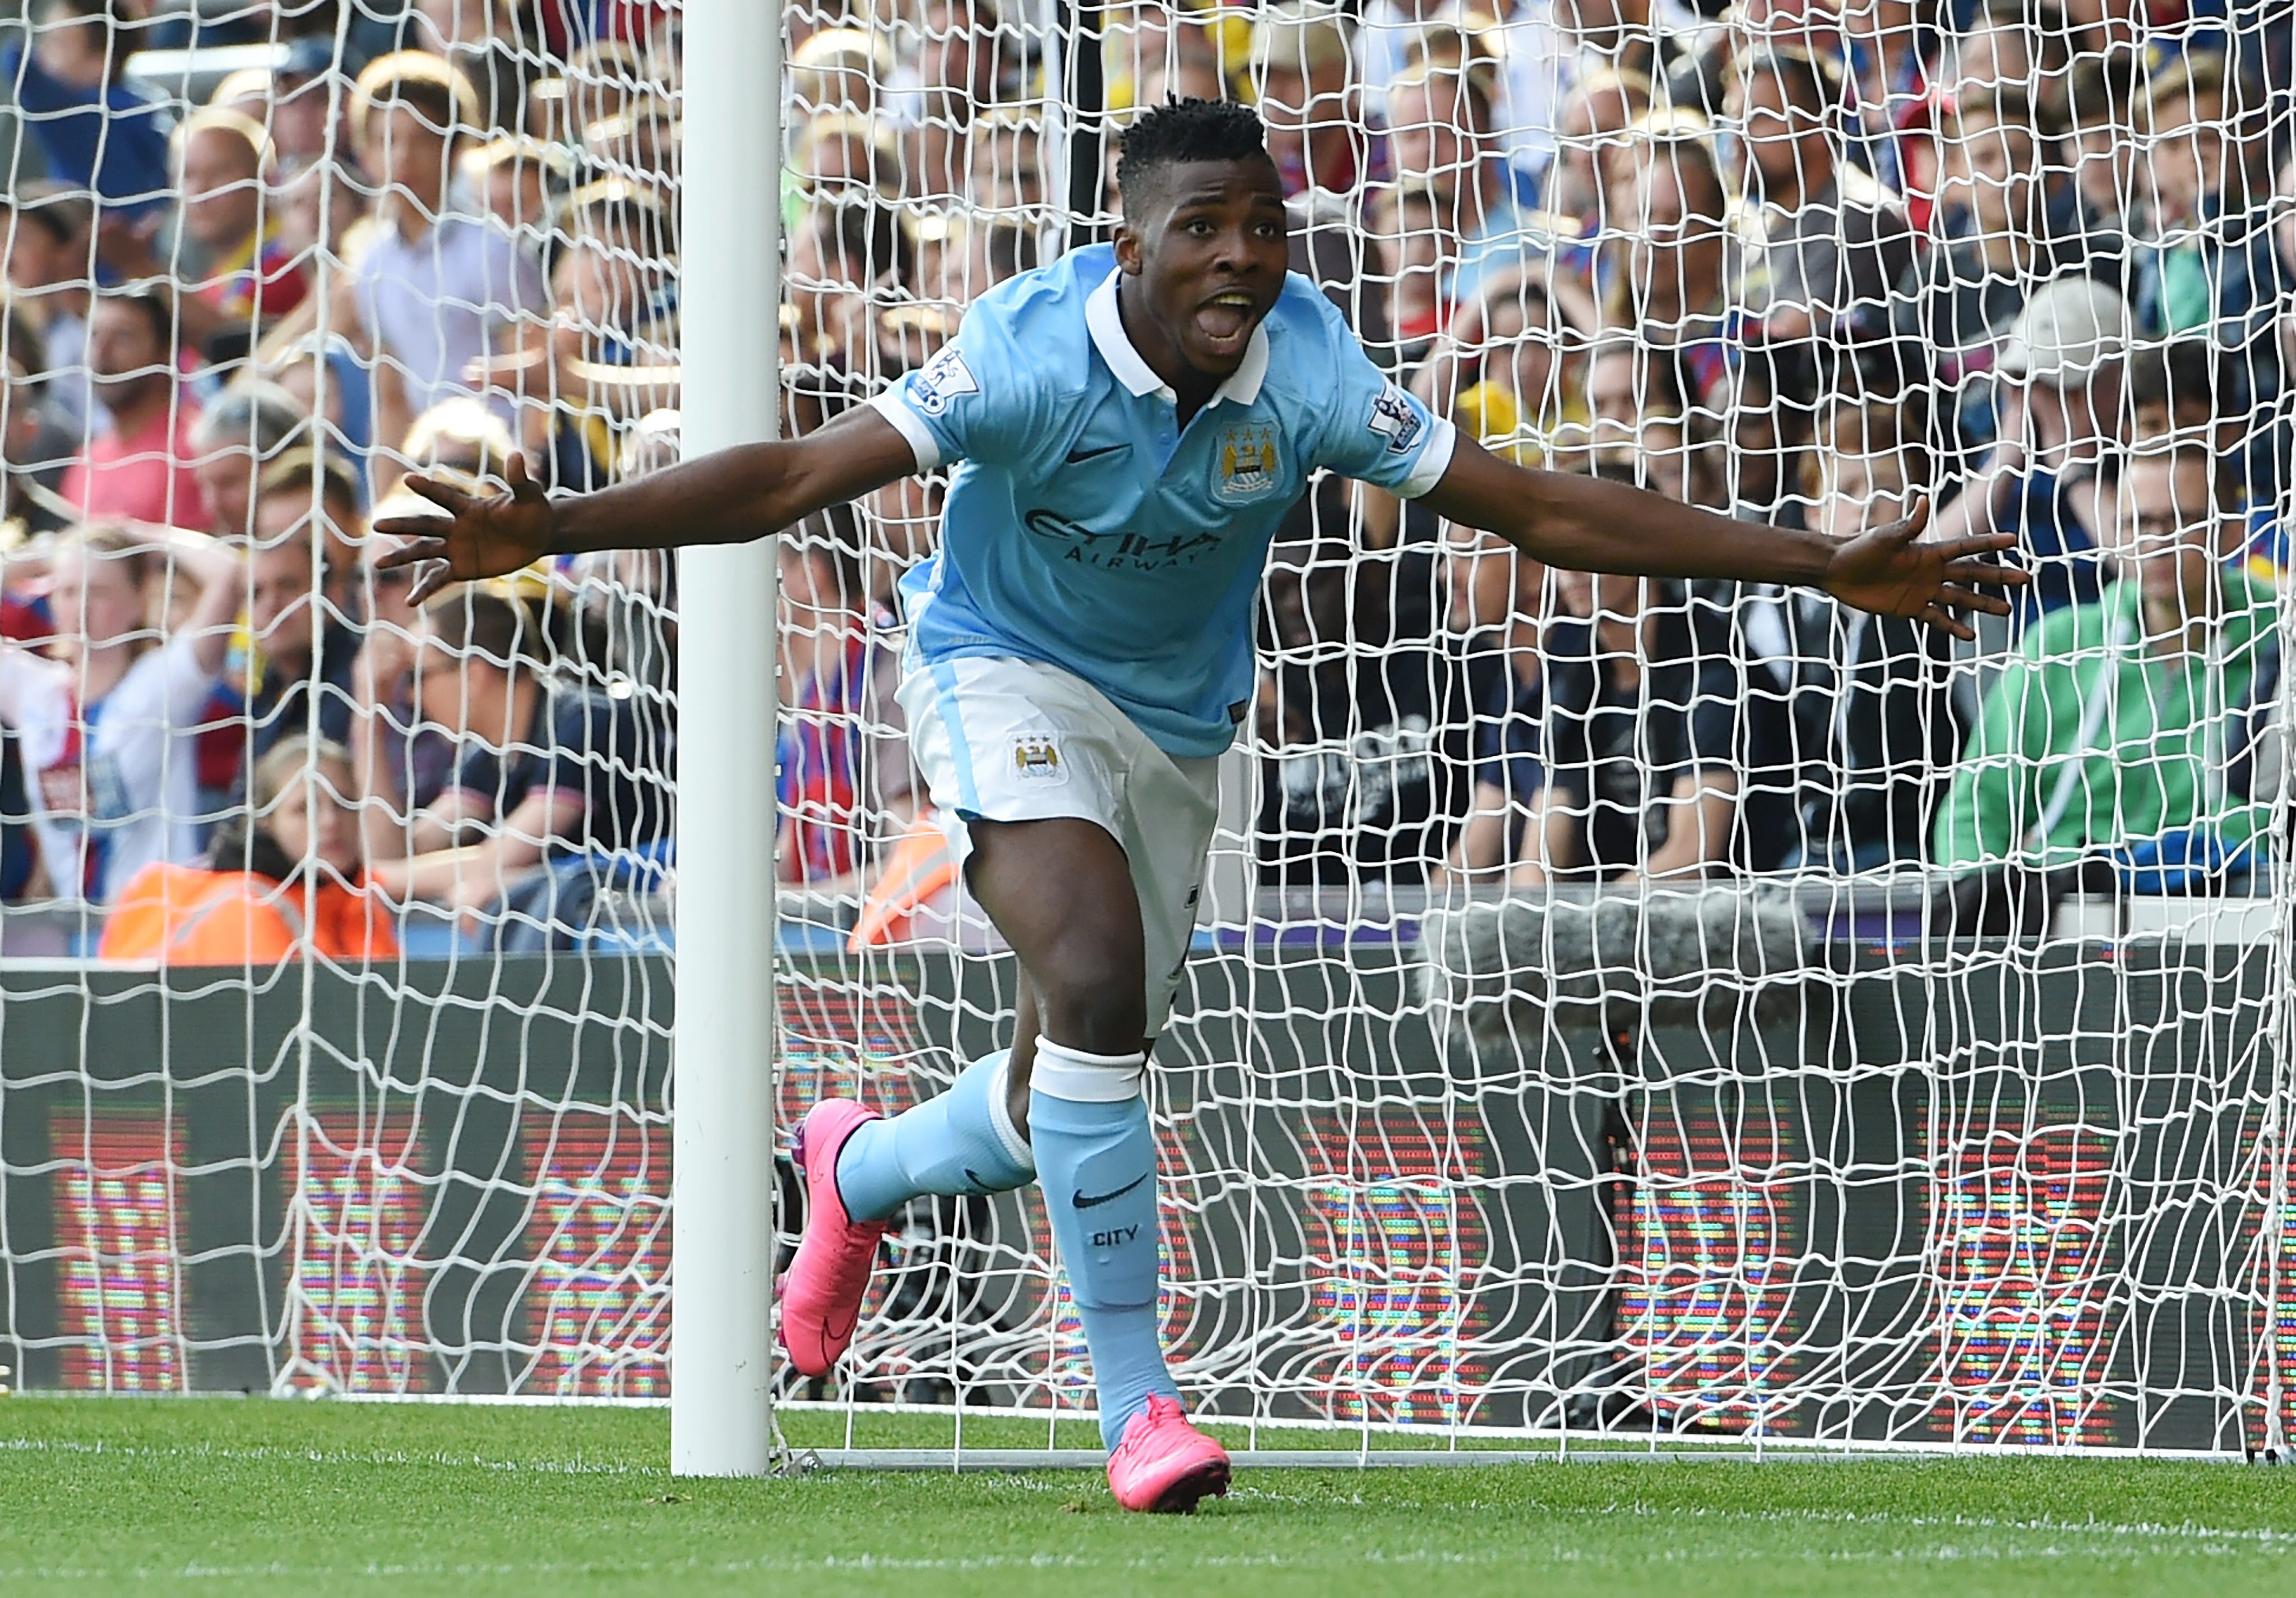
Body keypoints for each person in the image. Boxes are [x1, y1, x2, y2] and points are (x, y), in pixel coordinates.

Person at [378, 99, 2022, 1512]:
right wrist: (568, 520)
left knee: (1063, 1082)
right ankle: (1137, 1406)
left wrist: (1822, 562)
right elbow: (803, 475)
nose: (1242, 258)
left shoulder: (1306, 367)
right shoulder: (1024, 349)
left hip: (1179, 730)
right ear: (1126, 241)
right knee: (1091, 980)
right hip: (999, 674)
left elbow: (1535, 509)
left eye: (1266, 228)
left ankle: (853, 1169)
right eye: (1204, 228)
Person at [1935, 442, 2278, 889]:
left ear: (2232, 530)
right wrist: (1979, 902)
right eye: (2139, 523)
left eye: (2183, 521)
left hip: (2222, 901)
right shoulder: (2059, 643)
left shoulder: (2280, 641)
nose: (2157, 542)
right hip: (2057, 904)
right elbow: (1976, 805)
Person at [0, 522, 238, 903]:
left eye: (99, 591)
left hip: (158, 921)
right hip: (73, 927)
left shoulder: (163, 683)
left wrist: (140, 535)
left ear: (138, 601)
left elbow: (228, 573)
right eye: (67, 591)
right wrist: (48, 553)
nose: (80, 606)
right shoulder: (35, 693)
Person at [99, 735, 400, 966]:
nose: (331, 822)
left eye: (344, 803)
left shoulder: (355, 900)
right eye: (305, 809)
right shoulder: (246, 909)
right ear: (268, 822)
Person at [61, 290, 205, 530]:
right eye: (94, 336)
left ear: (166, 353)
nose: (102, 353)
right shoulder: (87, 459)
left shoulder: (194, 447)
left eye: (123, 338)